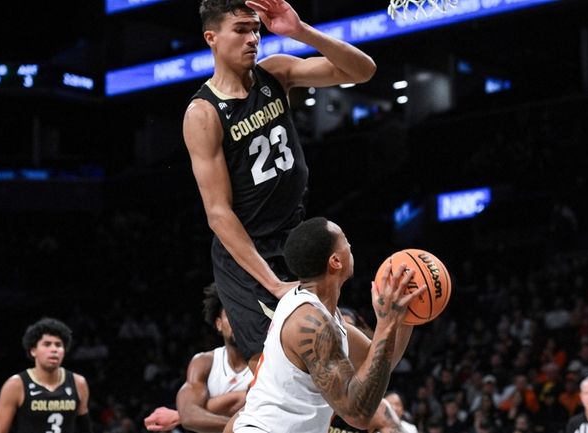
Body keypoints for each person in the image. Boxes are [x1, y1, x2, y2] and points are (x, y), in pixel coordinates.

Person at [184, 0, 377, 372]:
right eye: (241, 30)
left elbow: (363, 70)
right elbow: (219, 214)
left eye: (256, 29)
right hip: (250, 255)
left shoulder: (276, 73)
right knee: (274, 371)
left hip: (293, 237)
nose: (253, 38)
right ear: (212, 37)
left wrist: (300, 30)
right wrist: (273, 285)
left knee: (358, 359)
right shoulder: (203, 113)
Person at [231, 217, 426, 432]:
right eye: (344, 240)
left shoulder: (324, 313)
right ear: (335, 261)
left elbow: (377, 364)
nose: (350, 245)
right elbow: (357, 414)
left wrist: (407, 316)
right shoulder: (310, 322)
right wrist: (386, 323)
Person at [144, 283, 252, 432]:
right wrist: (243, 426)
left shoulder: (267, 360)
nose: (237, 321)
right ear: (219, 324)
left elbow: (247, 401)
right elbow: (189, 416)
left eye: (242, 315)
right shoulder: (204, 362)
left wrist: (187, 414)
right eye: (230, 314)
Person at [0, 318, 91, 433]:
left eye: (58, 345)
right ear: (33, 351)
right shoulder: (15, 385)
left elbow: (85, 429)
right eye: (47, 344)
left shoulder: (79, 383)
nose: (54, 349)